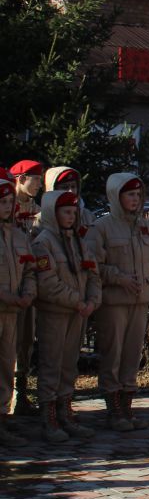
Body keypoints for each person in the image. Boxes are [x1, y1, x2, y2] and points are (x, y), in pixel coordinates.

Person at [88, 174, 149, 431]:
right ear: (116, 197)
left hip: (140, 301)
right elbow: (93, 265)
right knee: (114, 354)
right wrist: (118, 278)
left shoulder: (147, 227)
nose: (135, 199)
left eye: (138, 195)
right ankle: (113, 410)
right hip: (114, 302)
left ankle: (127, 408)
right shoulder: (102, 228)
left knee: (133, 355)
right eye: (129, 194)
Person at [32, 190, 101, 442]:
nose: (71, 217)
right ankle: (48, 419)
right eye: (66, 212)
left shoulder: (79, 241)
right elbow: (47, 283)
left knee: (69, 364)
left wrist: (93, 300)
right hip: (56, 313)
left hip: (79, 312)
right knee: (51, 364)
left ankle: (65, 412)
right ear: (53, 213)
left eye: (74, 212)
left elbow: (93, 274)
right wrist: (78, 300)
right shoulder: (43, 242)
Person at [0, 177, 36, 446]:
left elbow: (30, 269)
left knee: (6, 365)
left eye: (10, 202)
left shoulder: (19, 236)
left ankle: (4, 419)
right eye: (2, 202)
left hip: (13, 311)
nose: (6, 207)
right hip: (4, 304)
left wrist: (27, 292)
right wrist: (8, 296)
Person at [9, 159, 42, 416]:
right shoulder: (8, 205)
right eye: (35, 179)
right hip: (7, 287)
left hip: (28, 285)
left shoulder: (38, 208)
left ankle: (21, 394)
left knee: (26, 340)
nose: (39, 185)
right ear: (20, 179)